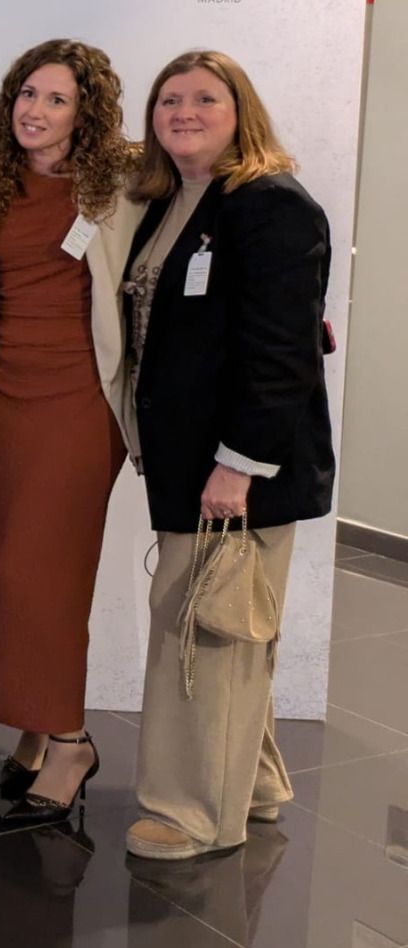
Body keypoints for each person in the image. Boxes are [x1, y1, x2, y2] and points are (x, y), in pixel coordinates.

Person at [121, 51, 334, 860]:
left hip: (240, 470)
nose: (183, 111)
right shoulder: (178, 199)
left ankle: (190, 813)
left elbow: (283, 352)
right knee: (232, 626)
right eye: (169, 99)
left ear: (240, 110)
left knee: (201, 636)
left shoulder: (270, 205)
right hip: (193, 460)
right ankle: (255, 782)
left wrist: (238, 464)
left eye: (205, 98)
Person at [0, 38, 143, 823]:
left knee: (47, 573)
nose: (35, 111)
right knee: (6, 569)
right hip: (1, 399)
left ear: (88, 112)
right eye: (26, 94)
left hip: (79, 401)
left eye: (56, 99)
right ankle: (36, 727)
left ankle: (70, 738)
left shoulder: (127, 182)